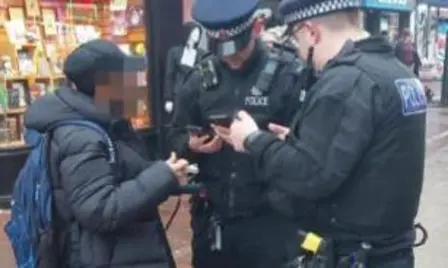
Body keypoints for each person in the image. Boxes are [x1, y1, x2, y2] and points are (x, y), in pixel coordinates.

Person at [227, 0, 426, 267]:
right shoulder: (397, 72)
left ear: (312, 32)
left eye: (297, 40)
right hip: (389, 249)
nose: (298, 52)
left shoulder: (347, 80)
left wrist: (253, 139)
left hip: (353, 252)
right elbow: (370, 153)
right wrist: (299, 139)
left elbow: (311, 175)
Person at [24, 39, 189, 268]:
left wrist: (169, 175)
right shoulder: (82, 137)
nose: (136, 89)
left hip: (123, 251)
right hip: (105, 256)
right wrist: (161, 175)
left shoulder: (106, 122)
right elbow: (99, 210)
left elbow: (124, 174)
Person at [167, 0, 304, 267]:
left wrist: (271, 142)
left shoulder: (289, 75)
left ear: (257, 27)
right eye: (220, 49)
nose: (228, 57)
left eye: (235, 48)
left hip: (270, 223)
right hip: (214, 220)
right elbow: (174, 137)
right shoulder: (199, 79)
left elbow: (310, 151)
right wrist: (193, 145)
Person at [164, 22, 207, 115]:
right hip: (178, 95)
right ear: (188, 33)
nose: (197, 35)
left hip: (196, 97)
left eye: (198, 33)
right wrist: (168, 98)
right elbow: (169, 76)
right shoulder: (174, 52)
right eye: (194, 33)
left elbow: (205, 76)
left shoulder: (202, 54)